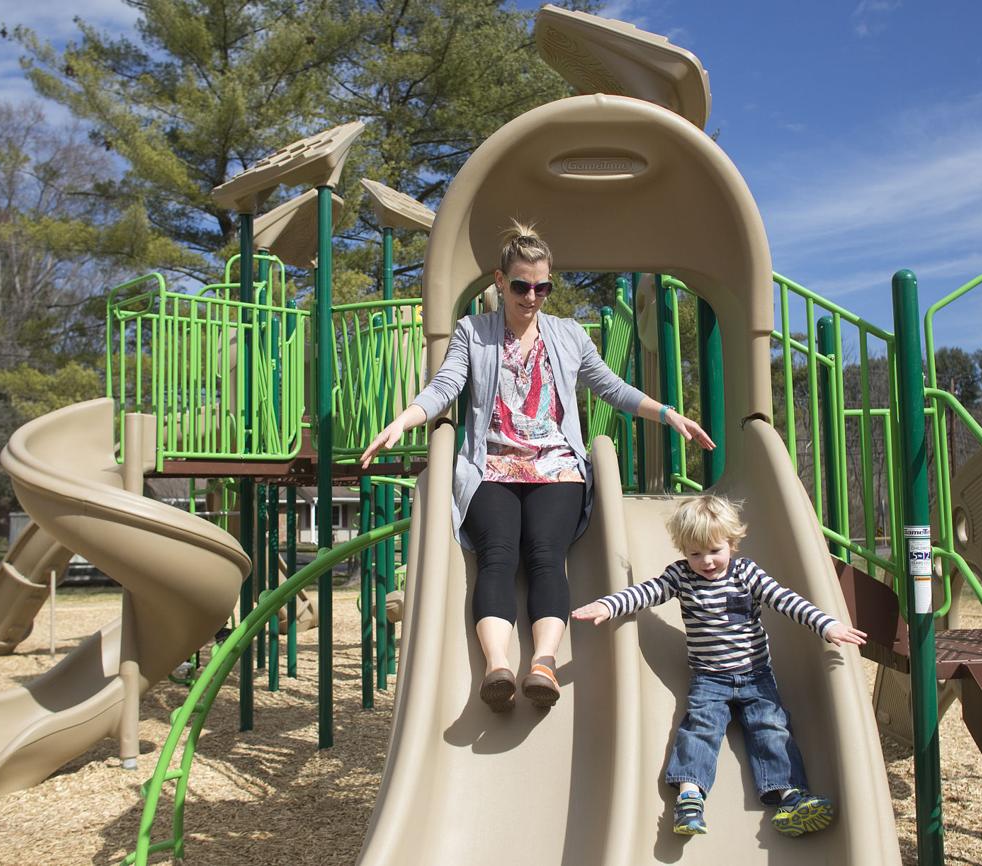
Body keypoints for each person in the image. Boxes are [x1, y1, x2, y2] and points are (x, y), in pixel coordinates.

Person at [360, 220, 714, 712]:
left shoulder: (567, 335)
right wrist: (404, 420)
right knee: (498, 556)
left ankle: (543, 662)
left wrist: (669, 414)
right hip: (492, 466)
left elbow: (611, 387)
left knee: (546, 553)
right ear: (501, 282)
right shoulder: (474, 332)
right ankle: (498, 666)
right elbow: (445, 386)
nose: (532, 297)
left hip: (555, 467)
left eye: (543, 287)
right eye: (522, 286)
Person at [571, 493, 867, 837]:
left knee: (771, 727)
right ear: (683, 551)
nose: (706, 561)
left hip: (756, 674)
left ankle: (790, 798)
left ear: (732, 542)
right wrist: (610, 606)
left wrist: (825, 624)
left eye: (714, 551)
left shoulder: (747, 574)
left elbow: (785, 599)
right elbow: (646, 592)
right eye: (695, 553)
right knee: (699, 729)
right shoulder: (681, 576)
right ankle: (689, 798)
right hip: (709, 678)